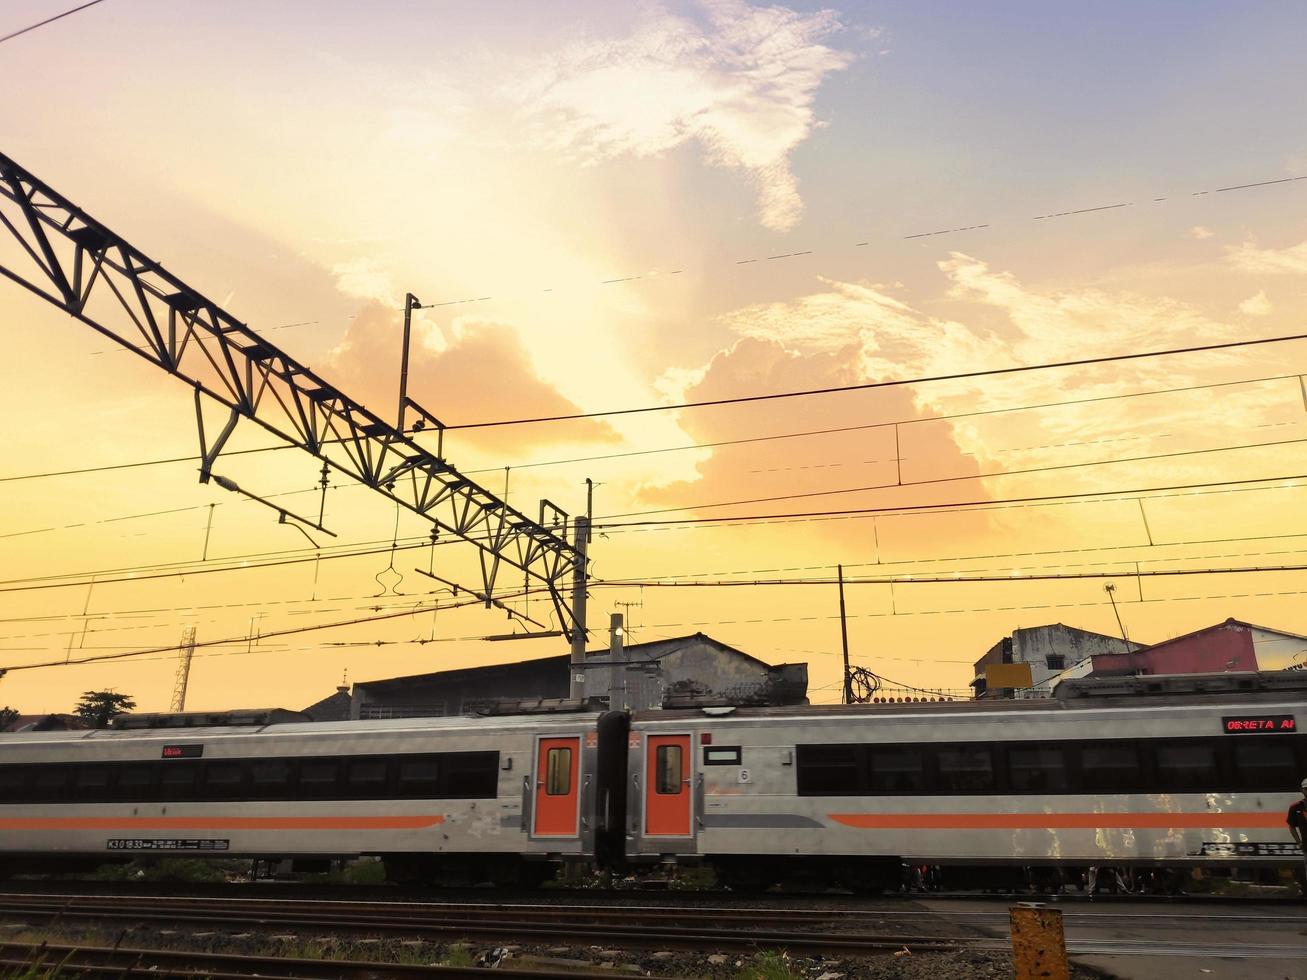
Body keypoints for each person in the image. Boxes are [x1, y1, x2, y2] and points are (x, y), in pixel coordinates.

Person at [1286, 777, 1307, 894]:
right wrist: (1299, 842)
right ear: (1302, 790)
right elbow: (1291, 826)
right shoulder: (1295, 807)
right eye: (1306, 789)